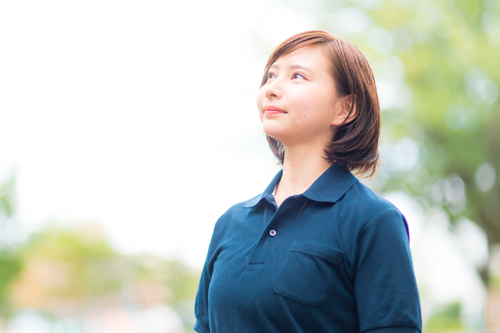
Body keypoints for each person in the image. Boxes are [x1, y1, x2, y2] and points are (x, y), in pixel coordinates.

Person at [193, 30, 422, 333]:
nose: (272, 89)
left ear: (345, 109)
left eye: (297, 76)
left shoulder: (372, 220)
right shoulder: (230, 223)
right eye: (271, 76)